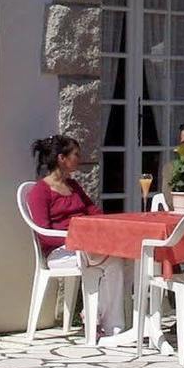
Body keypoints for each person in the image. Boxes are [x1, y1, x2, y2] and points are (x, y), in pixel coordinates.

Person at [30, 134, 126, 339]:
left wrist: (108, 228)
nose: (79, 158)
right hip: (59, 252)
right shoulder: (40, 191)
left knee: (121, 259)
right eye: (75, 154)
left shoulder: (73, 186)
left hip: (84, 247)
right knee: (114, 261)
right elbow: (43, 234)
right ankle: (109, 325)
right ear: (61, 158)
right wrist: (77, 239)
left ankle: (101, 319)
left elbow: (93, 211)